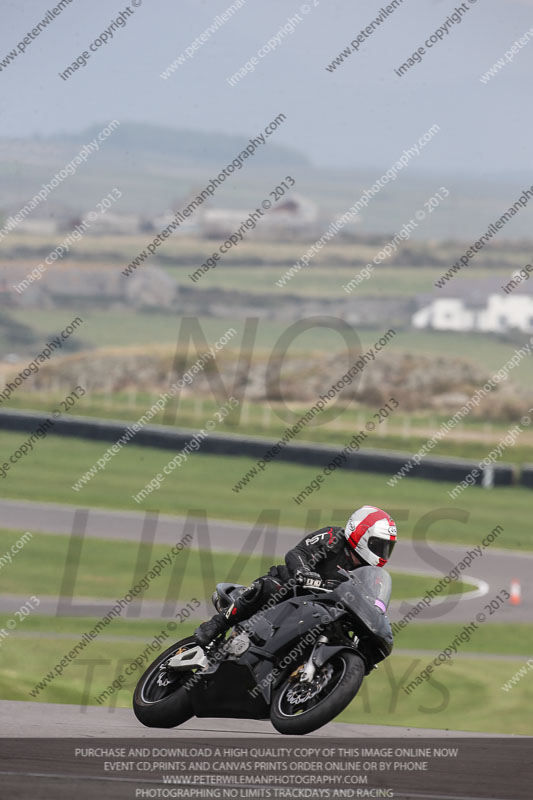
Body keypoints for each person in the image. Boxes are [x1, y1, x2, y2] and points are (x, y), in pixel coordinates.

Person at [194, 505, 397, 648]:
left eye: (387, 547)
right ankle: (217, 624)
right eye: (379, 545)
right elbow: (297, 553)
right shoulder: (333, 538)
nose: (383, 552)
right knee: (271, 587)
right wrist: (303, 572)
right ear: (361, 533)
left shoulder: (371, 574)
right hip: (293, 589)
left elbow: (372, 599)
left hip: (322, 609)